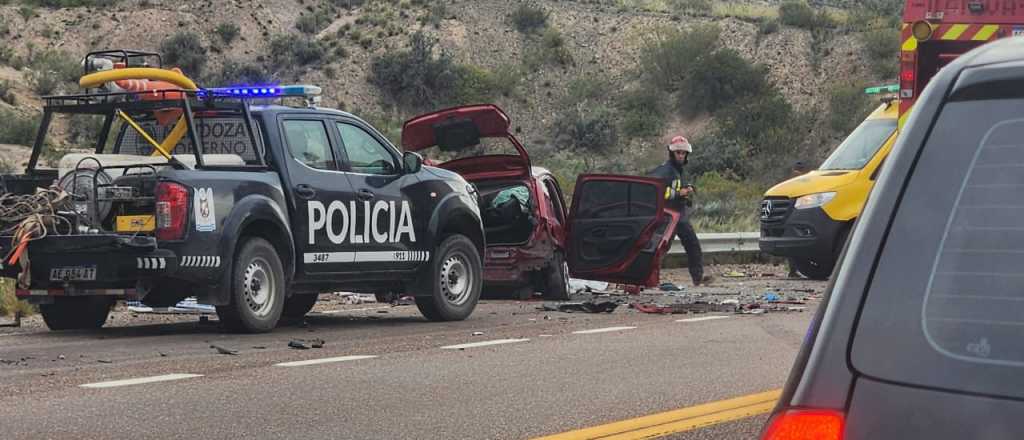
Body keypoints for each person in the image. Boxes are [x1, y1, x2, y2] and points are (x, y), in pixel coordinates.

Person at [650, 135, 711, 286]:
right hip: (667, 217)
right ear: (672, 153)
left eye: (683, 153)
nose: (681, 155)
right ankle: (648, 278)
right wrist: (679, 193)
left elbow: (678, 186)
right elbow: (656, 190)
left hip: (679, 216)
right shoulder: (664, 171)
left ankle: (698, 278)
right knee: (659, 249)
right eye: (678, 153)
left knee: (693, 245)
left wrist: (687, 189)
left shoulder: (679, 170)